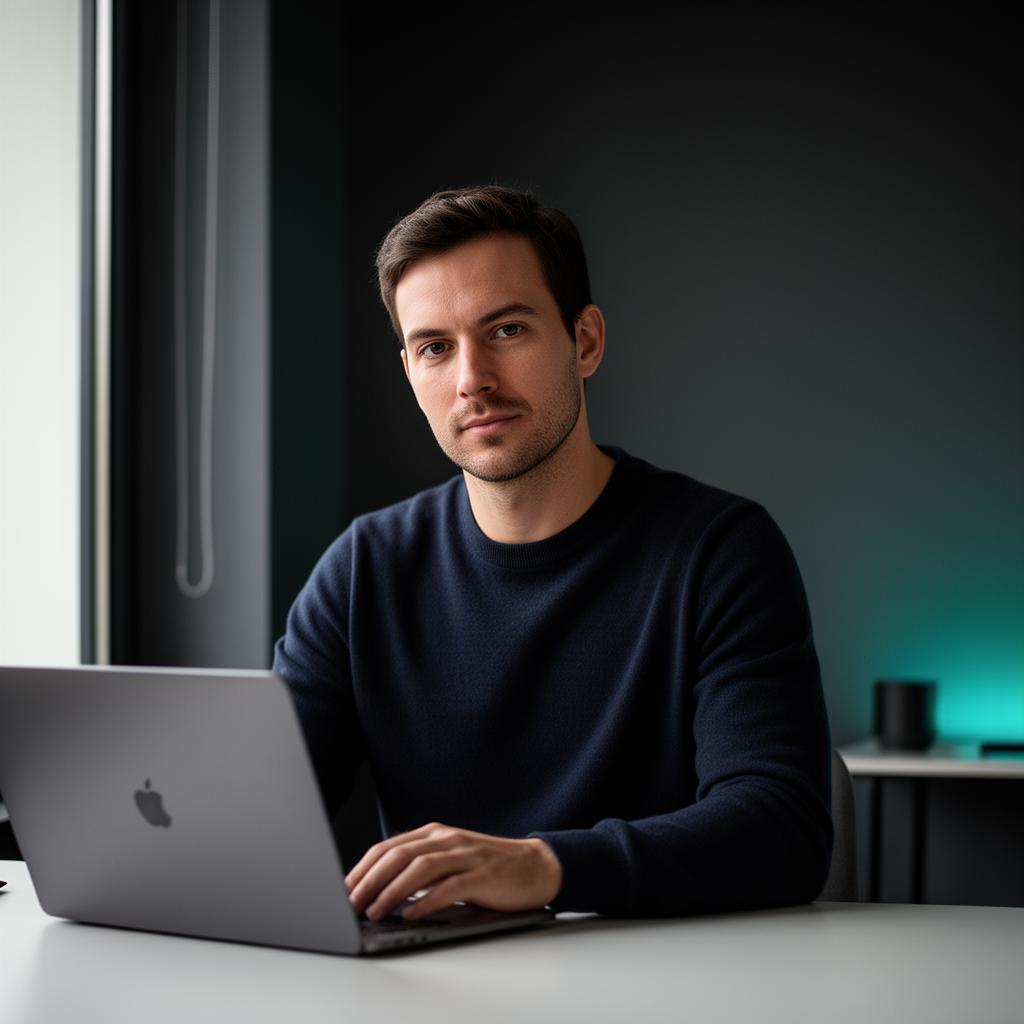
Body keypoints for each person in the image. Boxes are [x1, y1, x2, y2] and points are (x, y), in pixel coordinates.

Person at [272, 184, 833, 924]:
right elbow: (262, 816)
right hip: (431, 994)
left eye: (506, 330)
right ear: (411, 373)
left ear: (586, 340)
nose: (471, 378)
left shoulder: (719, 552)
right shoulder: (362, 570)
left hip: (666, 984)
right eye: (436, 348)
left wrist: (543, 865)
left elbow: (782, 828)